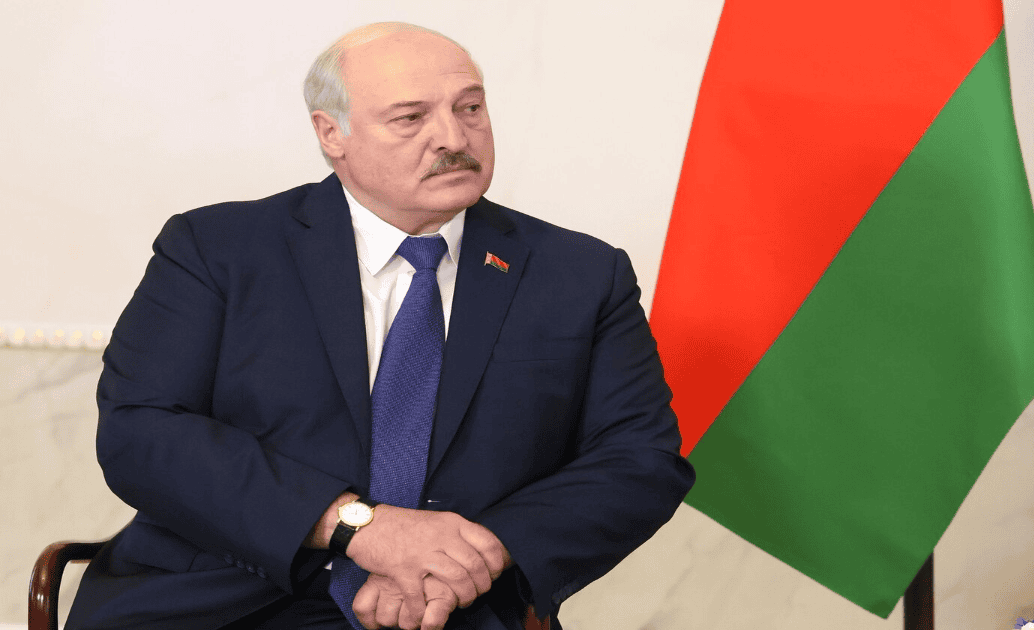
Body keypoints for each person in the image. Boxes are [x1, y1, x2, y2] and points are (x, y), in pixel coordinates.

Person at [65, 22, 694, 630]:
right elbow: (140, 430)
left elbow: (640, 459)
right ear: (331, 133)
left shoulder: (580, 274)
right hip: (224, 600)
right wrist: (359, 528)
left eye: (470, 108)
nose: (454, 137)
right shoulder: (217, 249)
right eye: (411, 117)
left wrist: (471, 557)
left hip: (456, 610)